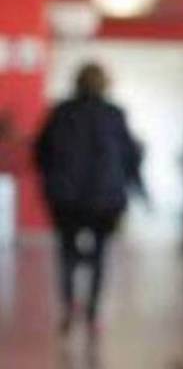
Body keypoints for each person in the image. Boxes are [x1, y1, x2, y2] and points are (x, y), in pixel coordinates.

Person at [34, 62, 144, 333]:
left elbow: (41, 152)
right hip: (105, 199)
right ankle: (93, 313)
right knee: (99, 256)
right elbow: (130, 155)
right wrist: (133, 186)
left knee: (67, 254)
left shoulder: (61, 112)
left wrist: (50, 182)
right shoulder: (114, 114)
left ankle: (68, 308)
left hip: (65, 197)